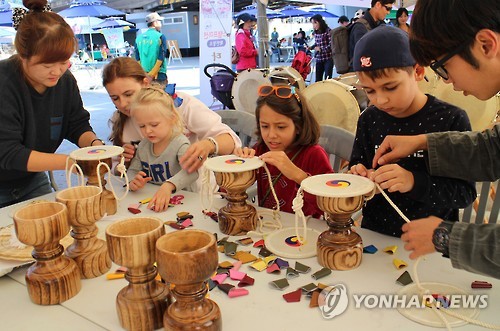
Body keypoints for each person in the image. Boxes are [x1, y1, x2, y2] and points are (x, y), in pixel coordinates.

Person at [370, 0, 500, 278]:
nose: (447, 81)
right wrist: (424, 142)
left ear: (486, 45)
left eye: (442, 67)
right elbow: (493, 149)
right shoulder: (369, 120)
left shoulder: (451, 114)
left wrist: (446, 237)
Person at [349, 26, 477, 237]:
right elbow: (357, 163)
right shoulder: (369, 119)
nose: (380, 100)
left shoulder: (450, 119)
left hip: (431, 241)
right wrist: (358, 174)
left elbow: (464, 194)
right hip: (376, 235)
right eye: (369, 91)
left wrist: (413, 182)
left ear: (417, 71)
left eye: (390, 87)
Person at [0, 0, 102, 208]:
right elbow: (8, 152)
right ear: (23, 56)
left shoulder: (64, 80)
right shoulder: (5, 83)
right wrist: (71, 162)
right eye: (47, 65)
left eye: (64, 62)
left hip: (32, 178)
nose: (57, 72)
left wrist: (95, 148)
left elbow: (77, 124)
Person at [102, 57, 241, 187]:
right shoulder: (120, 119)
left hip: (195, 195)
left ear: (145, 83)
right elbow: (118, 169)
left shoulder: (179, 104)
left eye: (128, 94)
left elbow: (231, 141)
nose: (123, 104)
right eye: (115, 98)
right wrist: (124, 162)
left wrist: (208, 145)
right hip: (149, 196)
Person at [235, 85, 333, 218]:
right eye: (265, 126)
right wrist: (238, 170)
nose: (271, 135)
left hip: (303, 231)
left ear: (298, 126)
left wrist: (298, 175)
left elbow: (330, 207)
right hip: (269, 225)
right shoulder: (261, 150)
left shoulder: (314, 154)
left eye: (280, 127)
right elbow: (228, 193)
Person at [127, 87, 198, 212]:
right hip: (154, 203)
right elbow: (133, 170)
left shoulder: (180, 143)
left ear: (172, 119)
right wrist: (133, 181)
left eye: (154, 125)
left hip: (185, 204)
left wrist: (168, 186)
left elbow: (191, 172)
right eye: (142, 126)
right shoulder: (144, 145)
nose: (148, 131)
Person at [348, 0, 395, 69]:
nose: (388, 12)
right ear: (378, 5)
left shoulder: (381, 25)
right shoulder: (360, 27)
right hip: (362, 73)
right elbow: (363, 55)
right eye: (388, 8)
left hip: (375, 71)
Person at [135, 12, 168, 85]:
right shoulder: (160, 36)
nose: (160, 23)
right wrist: (152, 74)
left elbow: (137, 58)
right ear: (155, 22)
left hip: (145, 75)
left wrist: (145, 74)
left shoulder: (138, 38)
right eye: (159, 21)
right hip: (159, 75)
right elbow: (161, 57)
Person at [310, 14, 333, 82]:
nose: (314, 25)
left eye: (315, 23)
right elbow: (317, 43)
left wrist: (321, 49)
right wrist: (311, 47)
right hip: (319, 59)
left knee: (327, 79)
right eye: (312, 23)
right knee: (318, 80)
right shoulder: (315, 32)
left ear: (320, 22)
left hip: (328, 58)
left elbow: (331, 45)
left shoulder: (328, 31)